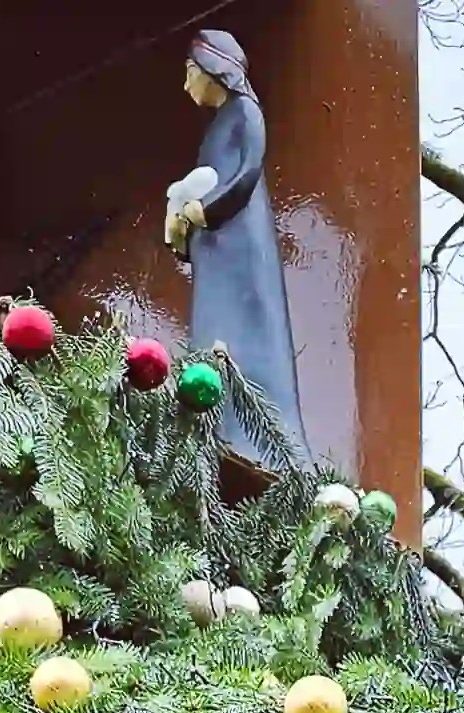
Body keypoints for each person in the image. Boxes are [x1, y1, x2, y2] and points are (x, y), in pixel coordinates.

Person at [171, 31, 307, 466]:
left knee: (247, 328)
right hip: (216, 252)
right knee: (213, 328)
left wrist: (201, 212)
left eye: (191, 74)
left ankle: (259, 432)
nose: (187, 85)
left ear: (215, 72)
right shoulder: (215, 129)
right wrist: (183, 230)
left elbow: (245, 176)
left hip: (242, 249)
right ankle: (212, 418)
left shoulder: (246, 113)